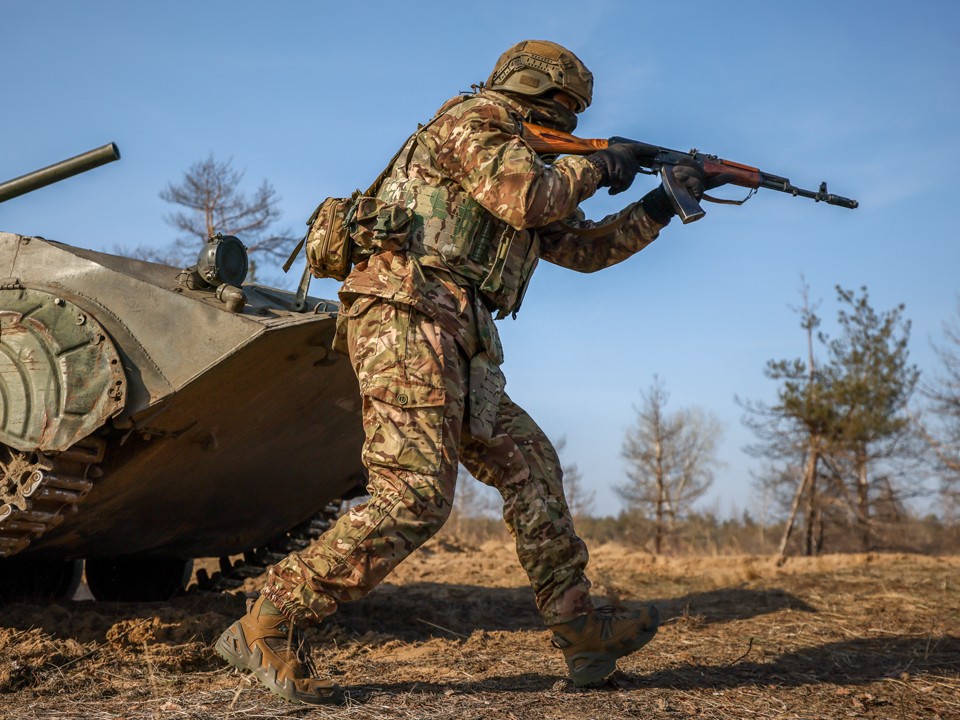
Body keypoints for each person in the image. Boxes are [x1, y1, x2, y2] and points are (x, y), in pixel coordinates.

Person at [216, 39, 707, 705]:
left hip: (457, 333)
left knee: (530, 461)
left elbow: (583, 249)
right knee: (414, 494)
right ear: (535, 94)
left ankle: (582, 635)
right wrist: (601, 166)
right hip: (405, 310)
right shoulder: (475, 122)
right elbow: (530, 200)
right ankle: (271, 621)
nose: (567, 127)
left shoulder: (525, 157)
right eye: (563, 111)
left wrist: (658, 205)